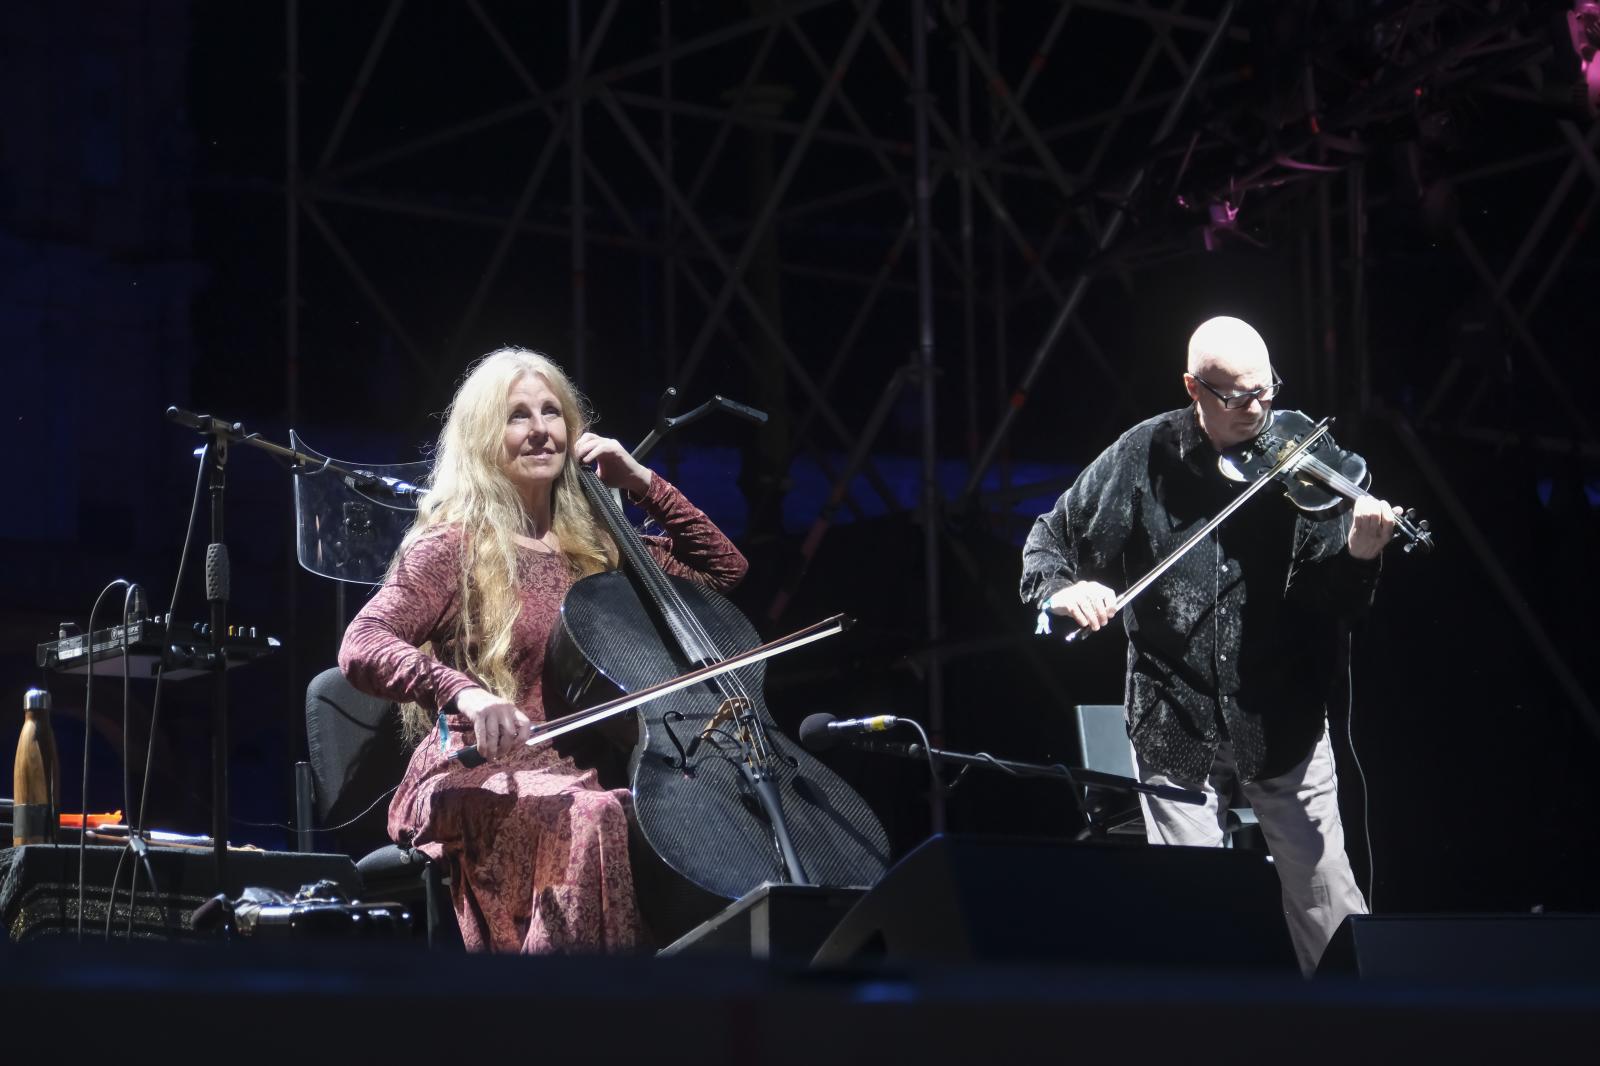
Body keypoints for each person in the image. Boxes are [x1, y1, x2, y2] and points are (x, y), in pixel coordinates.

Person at [1020, 315, 1398, 975]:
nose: (1258, 411)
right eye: (1237, 397)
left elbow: (1332, 604)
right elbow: (1051, 538)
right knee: (1191, 900)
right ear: (1193, 388)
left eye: (1266, 390)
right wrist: (1062, 591)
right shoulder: (1143, 456)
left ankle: (1361, 1030)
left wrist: (1362, 554)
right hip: (1174, 710)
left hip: (1281, 709)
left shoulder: (1300, 469)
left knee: (1326, 896)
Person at [339, 347, 748, 953]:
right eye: (517, 416)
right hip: (477, 772)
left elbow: (723, 570)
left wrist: (641, 483)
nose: (540, 431)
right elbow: (361, 643)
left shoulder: (600, 549)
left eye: (552, 412)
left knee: (688, 821)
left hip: (588, 774)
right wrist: (465, 691)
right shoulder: (452, 546)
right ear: (483, 438)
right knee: (595, 817)